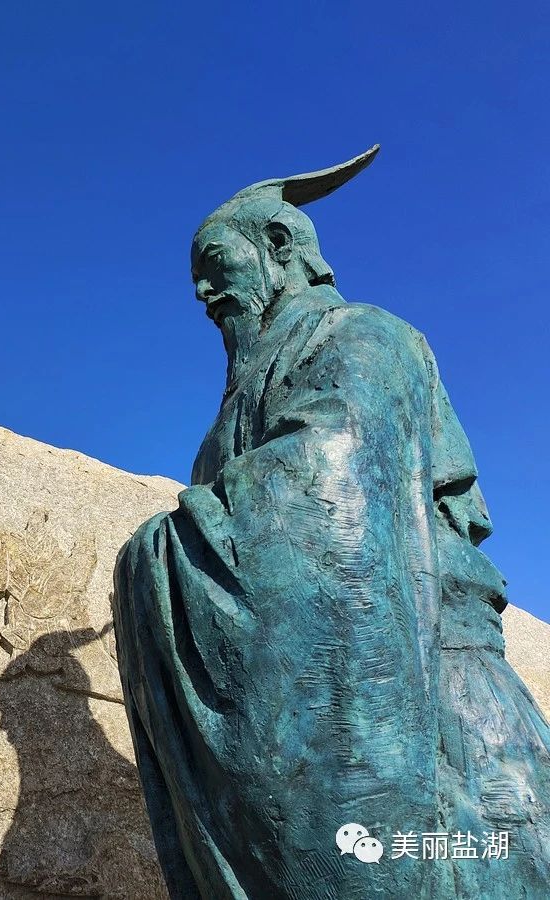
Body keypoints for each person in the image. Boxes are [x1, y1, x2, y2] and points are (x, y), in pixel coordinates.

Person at [112, 148, 550, 898]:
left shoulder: (359, 337)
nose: (203, 291)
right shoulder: (235, 406)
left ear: (280, 245)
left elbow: (329, 487)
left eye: (216, 263)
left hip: (437, 695)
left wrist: (163, 548)